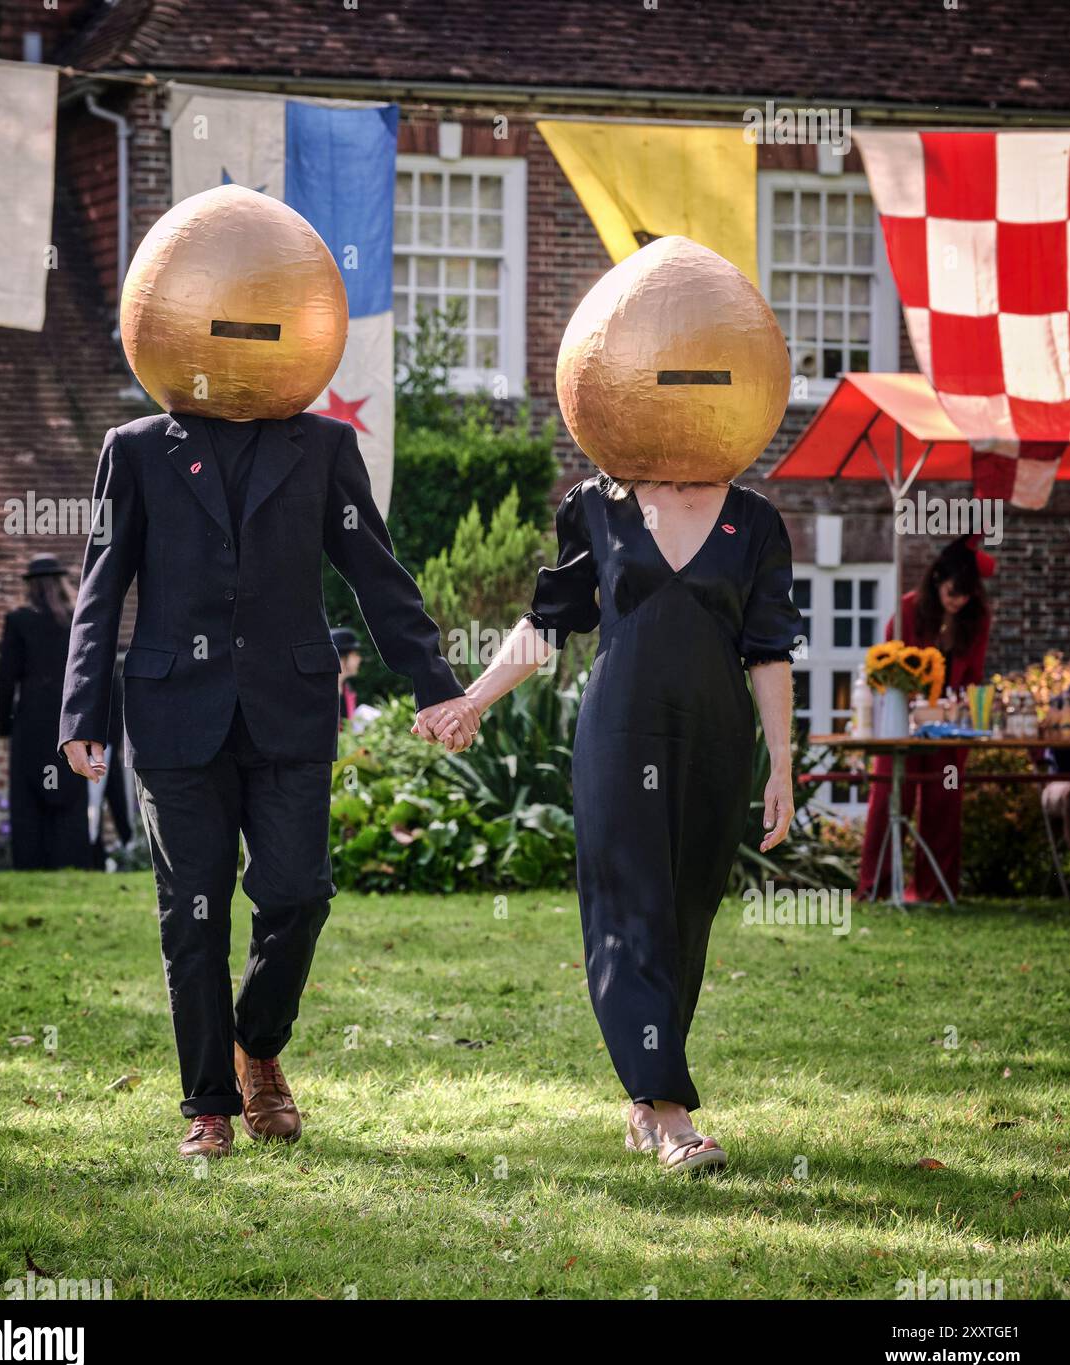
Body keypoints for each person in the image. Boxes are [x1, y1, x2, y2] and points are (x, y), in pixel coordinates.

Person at [59, 186, 478, 1160]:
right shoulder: (136, 452)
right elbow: (99, 586)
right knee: (192, 912)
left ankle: (258, 1044)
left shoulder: (326, 446)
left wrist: (435, 682)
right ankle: (208, 1104)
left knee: (298, 895)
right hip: (173, 713)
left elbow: (377, 573)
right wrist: (80, 706)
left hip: (290, 709)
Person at [419, 236, 803, 1174]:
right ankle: (668, 1113)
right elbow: (547, 626)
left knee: (684, 918)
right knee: (627, 913)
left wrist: (782, 766)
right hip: (617, 735)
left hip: (715, 743)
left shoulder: (754, 523)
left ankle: (645, 1097)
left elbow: (768, 654)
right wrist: (471, 698)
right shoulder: (593, 508)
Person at [857, 537, 994, 903]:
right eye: (953, 592)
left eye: (966, 594)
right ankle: (877, 888)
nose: (958, 600)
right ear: (937, 581)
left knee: (944, 801)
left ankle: (933, 890)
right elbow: (886, 667)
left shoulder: (976, 619)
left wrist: (955, 706)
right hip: (901, 723)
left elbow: (973, 675)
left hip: (948, 729)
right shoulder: (907, 613)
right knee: (890, 798)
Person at [0, 555, 91, 870]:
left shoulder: (19, 620)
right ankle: (70, 859)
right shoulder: (76, 619)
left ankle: (30, 860)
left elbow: (6, 677)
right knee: (70, 790)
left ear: (31, 586)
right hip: (69, 718)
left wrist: (4, 726)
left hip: (32, 719)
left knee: (28, 795)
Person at [331, 626, 361, 727]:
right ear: (342, 657)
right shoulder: (322, 692)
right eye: (354, 654)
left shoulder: (348, 691)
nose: (359, 659)